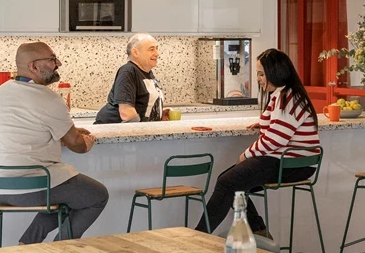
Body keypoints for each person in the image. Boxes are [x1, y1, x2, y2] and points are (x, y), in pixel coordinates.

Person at [0, 42, 108, 244]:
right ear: (33, 67)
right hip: (34, 186)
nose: (58, 63)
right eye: (51, 59)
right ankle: (59, 250)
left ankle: (27, 245)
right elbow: (78, 145)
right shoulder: (47, 97)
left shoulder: (1, 92)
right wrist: (87, 141)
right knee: (96, 195)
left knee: (64, 195)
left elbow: (28, 134)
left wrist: (67, 135)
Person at [195, 48, 319, 238]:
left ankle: (198, 238)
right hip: (289, 162)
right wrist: (264, 123)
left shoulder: (287, 98)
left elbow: (275, 140)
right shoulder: (282, 95)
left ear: (275, 72)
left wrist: (246, 154)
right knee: (229, 181)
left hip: (291, 164)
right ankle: (258, 229)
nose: (259, 79)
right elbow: (277, 122)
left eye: (261, 74)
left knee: (228, 182)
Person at [94, 33, 166, 124]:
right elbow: (126, 112)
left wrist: (159, 114)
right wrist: (143, 134)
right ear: (135, 52)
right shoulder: (128, 71)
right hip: (113, 131)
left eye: (157, 48)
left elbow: (143, 107)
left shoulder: (147, 73)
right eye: (151, 49)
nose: (157, 53)